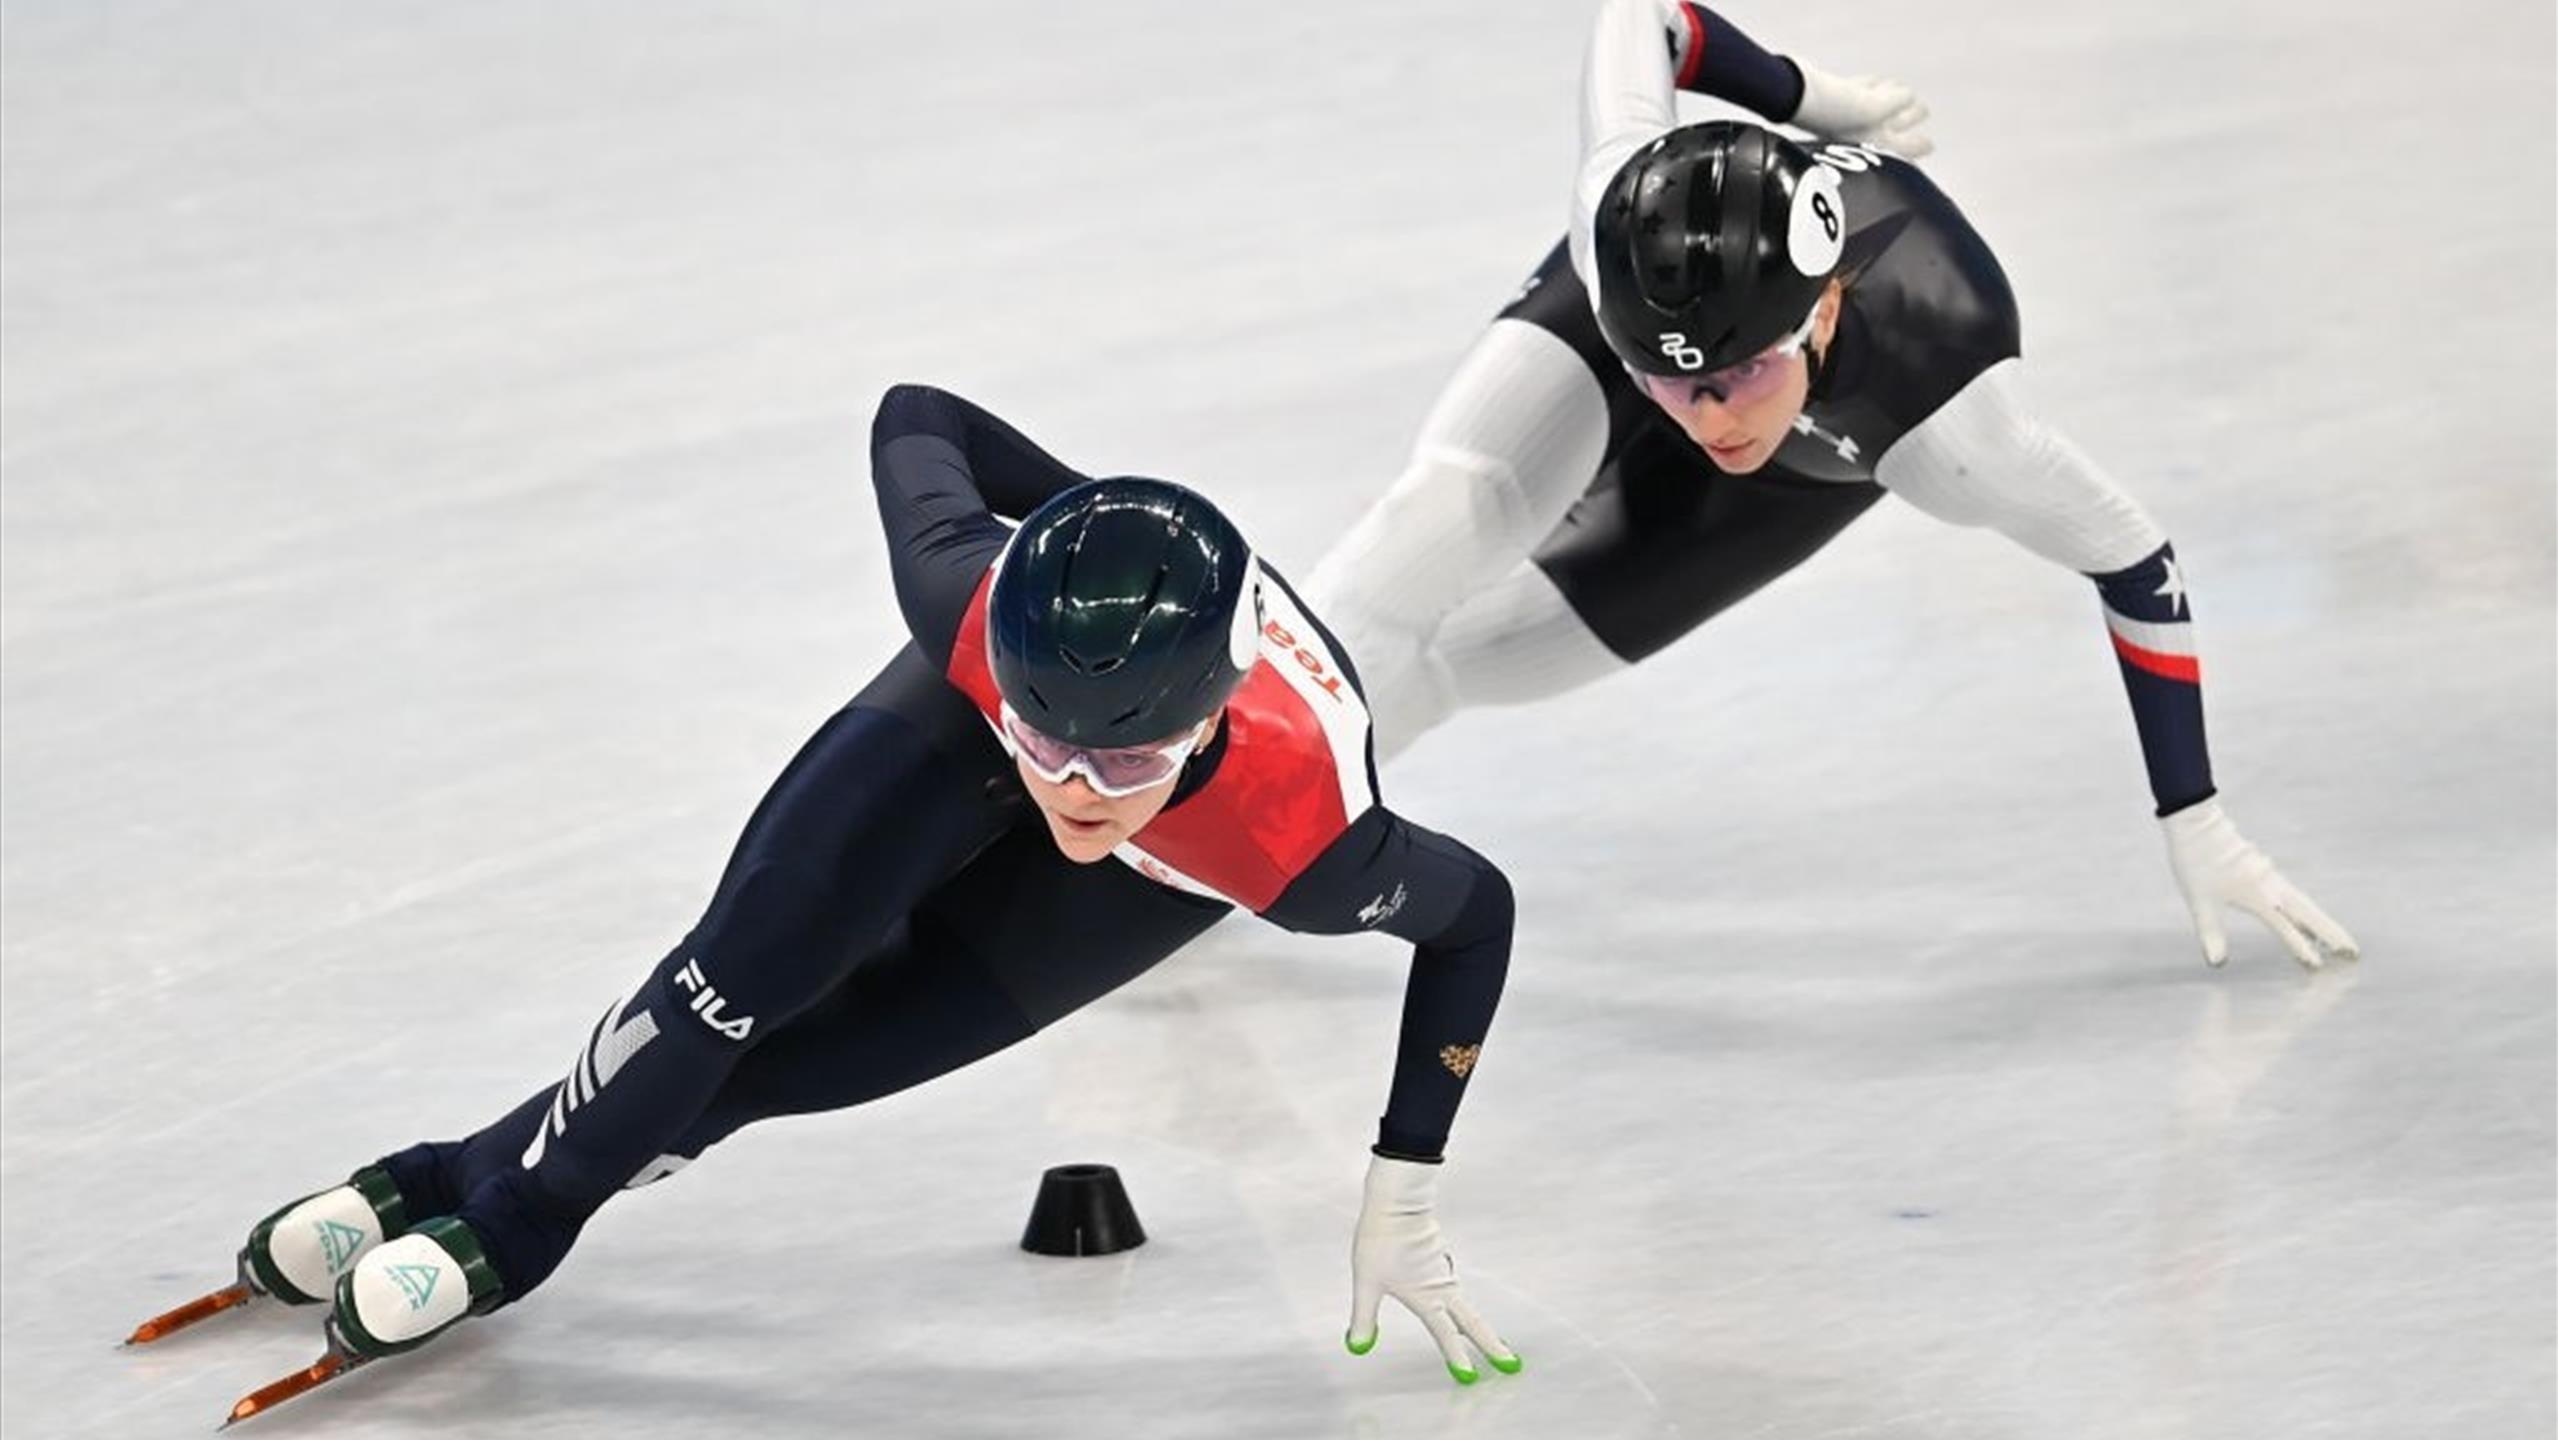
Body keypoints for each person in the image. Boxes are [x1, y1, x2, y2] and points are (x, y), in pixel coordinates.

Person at [140, 384, 1523, 1423]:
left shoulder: (1305, 844)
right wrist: (1072, 547)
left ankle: (459, 1178)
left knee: (791, 1064)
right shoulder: (970, 610)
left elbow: (1478, 918)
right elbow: (919, 414)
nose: (1077, 792)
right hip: (979, 698)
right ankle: (492, 1212)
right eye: (1055, 744)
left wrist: (1403, 1180)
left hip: (1186, 856)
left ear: (1210, 715)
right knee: (733, 977)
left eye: (1123, 760)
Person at [1305, 0, 2356, 970]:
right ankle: (1194, 796)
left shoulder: (1949, 414)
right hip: (1618, 310)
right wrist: (1806, 93)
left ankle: (1246, 838)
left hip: (1809, 465)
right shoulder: (1613, 202)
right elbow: (1645, 18)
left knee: (1475, 661)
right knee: (1435, 525)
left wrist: (2194, 812)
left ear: (1820, 312)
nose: (1705, 417)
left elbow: (2132, 557)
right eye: (1671, 384)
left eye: (1736, 378)